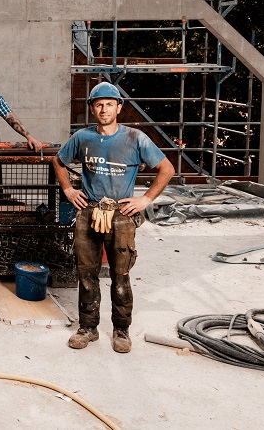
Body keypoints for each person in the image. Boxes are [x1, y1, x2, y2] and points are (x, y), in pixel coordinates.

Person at [53, 82, 175, 353]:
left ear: (119, 107)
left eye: (109, 104)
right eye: (99, 104)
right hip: (88, 211)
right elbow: (58, 162)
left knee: (120, 275)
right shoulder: (82, 137)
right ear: (92, 109)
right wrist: (68, 189)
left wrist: (145, 199)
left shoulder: (134, 138)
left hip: (121, 214)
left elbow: (166, 168)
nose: (104, 109)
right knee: (86, 274)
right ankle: (87, 328)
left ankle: (121, 330)